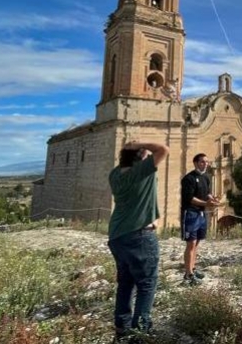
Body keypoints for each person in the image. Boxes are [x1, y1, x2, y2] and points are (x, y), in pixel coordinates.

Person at [107, 141, 169, 340]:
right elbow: (163, 149)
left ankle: (122, 328)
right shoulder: (140, 171)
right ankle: (140, 331)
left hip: (117, 234)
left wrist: (129, 149)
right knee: (147, 283)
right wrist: (139, 144)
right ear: (141, 157)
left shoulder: (115, 174)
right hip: (139, 234)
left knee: (126, 282)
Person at [180, 153, 218, 285]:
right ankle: (188, 274)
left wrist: (212, 198)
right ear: (196, 163)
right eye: (202, 162)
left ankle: (193, 268)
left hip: (202, 214)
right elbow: (190, 198)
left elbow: (207, 192)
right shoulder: (188, 179)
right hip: (190, 213)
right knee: (190, 243)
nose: (205, 164)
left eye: (207, 162)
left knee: (197, 243)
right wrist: (206, 204)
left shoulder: (206, 177)